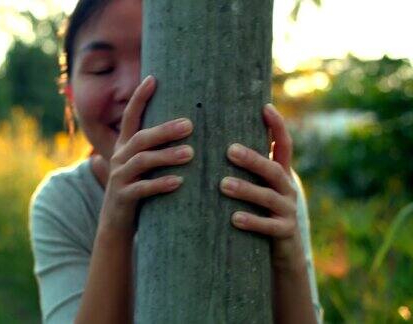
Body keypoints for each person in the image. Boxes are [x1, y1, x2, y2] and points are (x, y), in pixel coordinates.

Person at [30, 0, 322, 323]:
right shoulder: (64, 202)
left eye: (153, 57)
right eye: (102, 67)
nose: (130, 88)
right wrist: (115, 221)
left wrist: (287, 256)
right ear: (69, 94)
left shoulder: (264, 189)